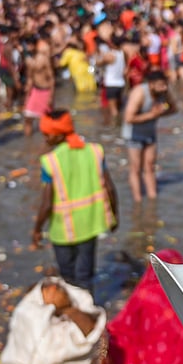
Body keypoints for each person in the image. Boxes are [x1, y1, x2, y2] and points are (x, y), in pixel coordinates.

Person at [31, 109, 119, 298]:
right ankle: (88, 310)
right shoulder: (94, 151)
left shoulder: (50, 161)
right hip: (90, 225)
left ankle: (73, 313)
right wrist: (114, 216)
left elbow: (47, 203)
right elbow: (110, 188)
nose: (45, 138)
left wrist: (37, 229)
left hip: (62, 231)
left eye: (47, 134)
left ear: (58, 134)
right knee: (85, 275)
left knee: (68, 276)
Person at [121, 69, 176, 203]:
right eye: (160, 85)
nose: (164, 88)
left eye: (165, 85)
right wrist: (152, 115)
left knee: (150, 166)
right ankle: (137, 200)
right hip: (133, 135)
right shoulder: (139, 93)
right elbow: (128, 118)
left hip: (150, 134)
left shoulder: (163, 93)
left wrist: (162, 112)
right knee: (136, 168)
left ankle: (152, 199)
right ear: (151, 84)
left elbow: (174, 109)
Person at [22, 34, 55, 138]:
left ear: (35, 45)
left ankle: (48, 144)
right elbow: (30, 79)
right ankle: (28, 143)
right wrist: (26, 97)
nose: (28, 47)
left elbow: (51, 78)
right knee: (27, 117)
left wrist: (51, 96)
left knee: (46, 121)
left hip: (45, 92)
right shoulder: (28, 60)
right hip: (35, 91)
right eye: (27, 45)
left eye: (30, 45)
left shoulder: (44, 58)